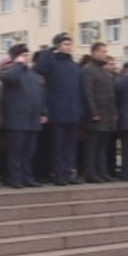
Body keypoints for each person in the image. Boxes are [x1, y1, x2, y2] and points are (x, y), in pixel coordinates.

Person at [36, 33, 84, 185]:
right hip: (57, 111)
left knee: (70, 146)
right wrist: (51, 50)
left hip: (73, 112)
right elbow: (39, 68)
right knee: (58, 145)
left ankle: (69, 172)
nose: (69, 47)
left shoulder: (74, 66)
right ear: (58, 46)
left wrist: (80, 110)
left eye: (70, 44)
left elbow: (79, 90)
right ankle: (58, 174)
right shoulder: (52, 62)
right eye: (65, 44)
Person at [0, 43, 47, 188]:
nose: (28, 58)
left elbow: (40, 95)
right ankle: (15, 178)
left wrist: (43, 112)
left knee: (29, 151)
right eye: (24, 55)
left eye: (28, 55)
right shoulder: (10, 72)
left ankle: (27, 177)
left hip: (33, 119)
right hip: (17, 119)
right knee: (16, 151)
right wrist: (17, 64)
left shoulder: (33, 75)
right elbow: (9, 79)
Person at [82, 42, 118, 183]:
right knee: (93, 145)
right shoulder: (89, 70)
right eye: (103, 51)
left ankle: (102, 172)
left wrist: (114, 112)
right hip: (97, 114)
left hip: (107, 113)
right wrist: (93, 112)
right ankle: (91, 173)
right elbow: (88, 92)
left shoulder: (104, 71)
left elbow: (111, 94)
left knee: (103, 146)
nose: (105, 54)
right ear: (94, 52)